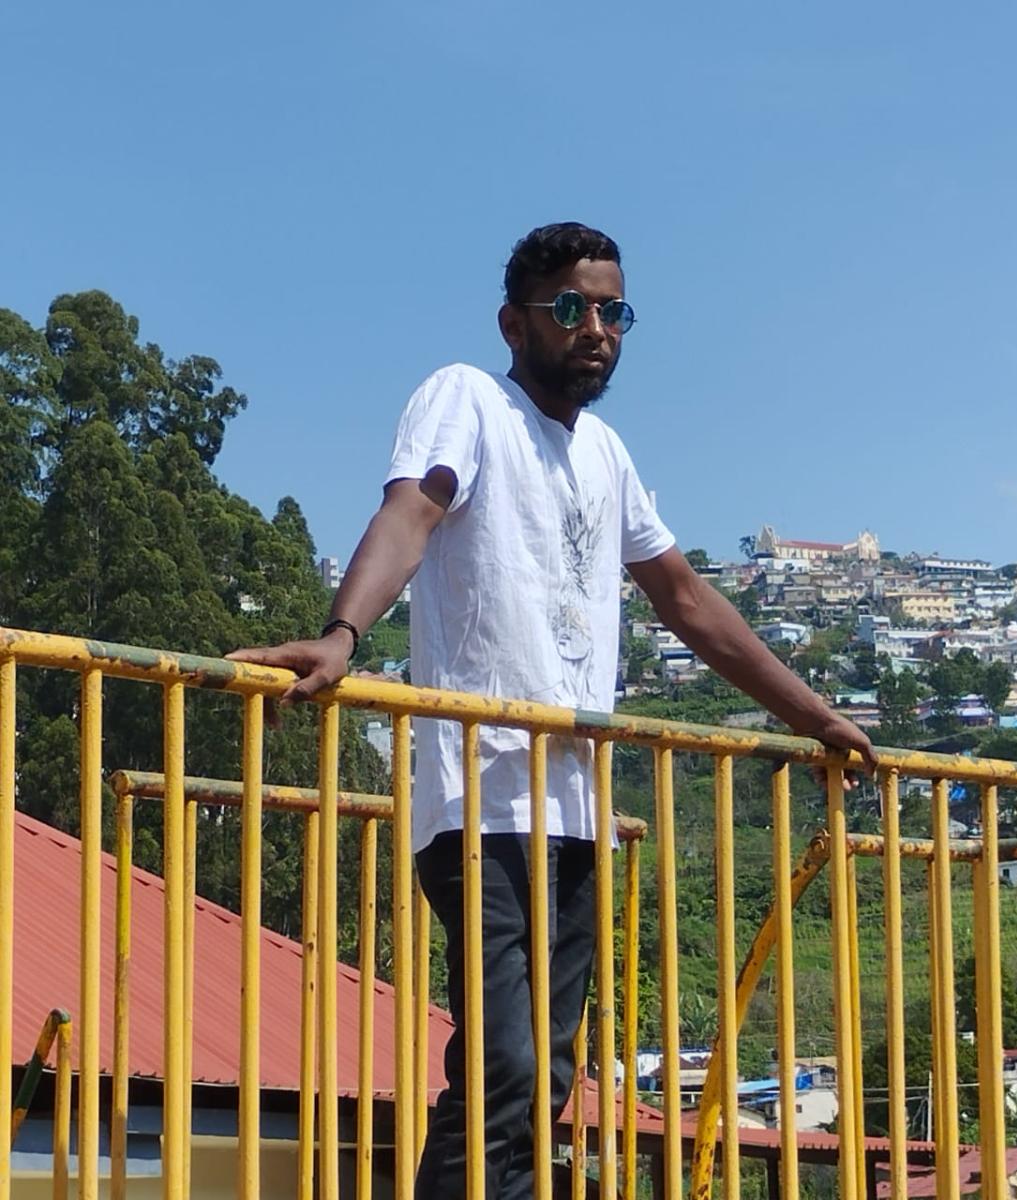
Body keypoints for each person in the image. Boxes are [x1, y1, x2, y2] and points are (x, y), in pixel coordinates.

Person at [229, 222, 876, 1199]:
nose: (596, 329)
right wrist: (342, 635)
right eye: (571, 307)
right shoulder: (469, 399)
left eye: (614, 312)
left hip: (575, 810)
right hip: (481, 799)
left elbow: (685, 599)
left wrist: (814, 716)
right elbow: (412, 511)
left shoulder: (606, 453)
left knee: (548, 1080)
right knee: (505, 1064)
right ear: (514, 322)